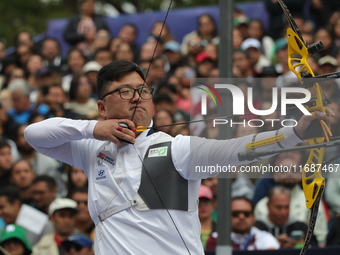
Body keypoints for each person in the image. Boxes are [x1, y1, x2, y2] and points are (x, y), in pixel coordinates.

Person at [24, 60, 332, 254]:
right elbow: (34, 135)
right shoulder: (91, 148)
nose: (137, 98)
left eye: (143, 91)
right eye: (125, 92)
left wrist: (296, 134)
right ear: (102, 107)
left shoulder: (176, 148)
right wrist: (95, 128)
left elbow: (238, 150)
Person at [206, 197, 280, 250]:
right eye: (236, 213)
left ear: (253, 217)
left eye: (246, 213)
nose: (241, 217)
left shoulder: (265, 238)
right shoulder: (216, 239)